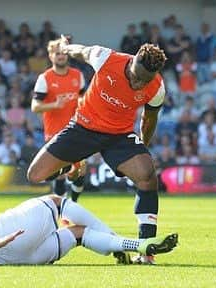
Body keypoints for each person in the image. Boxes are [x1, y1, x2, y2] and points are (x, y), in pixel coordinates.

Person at [27, 35, 169, 264]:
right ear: (132, 61)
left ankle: (146, 253)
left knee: (147, 175)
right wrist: (65, 47)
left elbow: (149, 118)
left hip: (119, 136)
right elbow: (80, 50)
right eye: (136, 77)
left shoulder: (157, 87)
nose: (138, 84)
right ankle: (73, 168)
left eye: (144, 81)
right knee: (35, 175)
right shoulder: (106, 58)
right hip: (83, 127)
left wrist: (143, 146)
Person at [0, 188, 178, 265]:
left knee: (76, 235)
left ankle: (134, 247)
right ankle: (122, 241)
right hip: (3, 235)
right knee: (57, 202)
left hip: (13, 261)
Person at [32, 39, 87, 202]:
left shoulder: (78, 75)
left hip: (78, 130)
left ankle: (74, 204)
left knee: (80, 171)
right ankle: (61, 211)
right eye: (57, 53)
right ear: (50, 56)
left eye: (63, 52)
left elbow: (84, 98)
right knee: (61, 174)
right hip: (54, 133)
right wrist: (54, 104)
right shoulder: (45, 78)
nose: (61, 56)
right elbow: (35, 106)